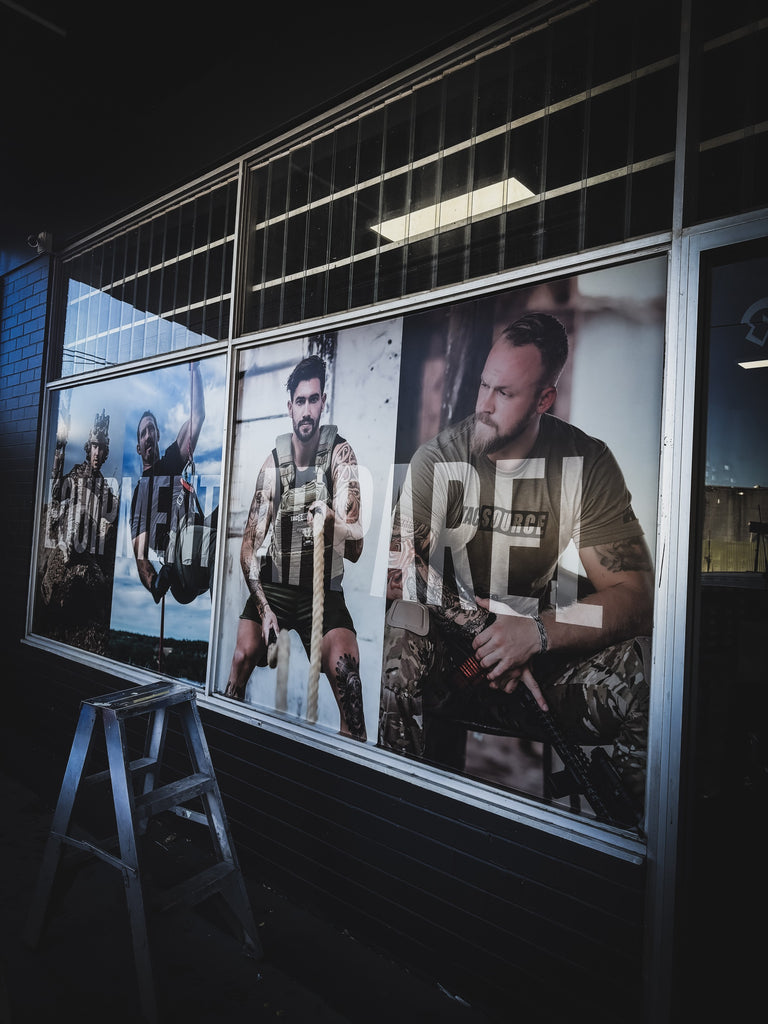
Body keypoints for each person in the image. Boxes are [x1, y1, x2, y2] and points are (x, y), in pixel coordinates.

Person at [378, 312, 653, 810]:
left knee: (651, 671)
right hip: (449, 666)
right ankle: (400, 817)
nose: (483, 405)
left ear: (544, 400)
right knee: (402, 628)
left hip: (536, 674)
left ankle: (622, 843)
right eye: (484, 385)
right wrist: (490, 629)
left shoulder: (586, 462)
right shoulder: (439, 458)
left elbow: (636, 597)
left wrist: (536, 633)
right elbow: (398, 572)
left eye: (503, 393)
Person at [224, 354, 367, 742]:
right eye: (300, 401)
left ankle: (350, 771)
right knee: (241, 657)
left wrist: (332, 520)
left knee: (349, 679)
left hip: (323, 591)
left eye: (313, 400)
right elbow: (248, 549)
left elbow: (356, 549)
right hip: (275, 586)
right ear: (290, 407)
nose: (306, 410)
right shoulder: (273, 467)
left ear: (323, 402)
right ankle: (224, 744)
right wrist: (264, 610)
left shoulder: (340, 457)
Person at [130, 361, 211, 605]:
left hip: (197, 539)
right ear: (138, 447)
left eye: (151, 430)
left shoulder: (171, 462)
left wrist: (194, 368)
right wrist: (155, 582)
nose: (148, 435)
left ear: (157, 434)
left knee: (234, 522)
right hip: (180, 559)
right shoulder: (141, 493)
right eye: (143, 433)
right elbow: (140, 556)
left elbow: (197, 417)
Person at [38, 408, 119, 639]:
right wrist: (60, 452)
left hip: (88, 553)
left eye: (101, 448)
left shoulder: (104, 487)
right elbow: (56, 493)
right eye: (94, 446)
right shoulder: (76, 474)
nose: (97, 453)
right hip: (68, 543)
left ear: (105, 452)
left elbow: (110, 519)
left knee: (99, 588)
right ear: (88, 448)